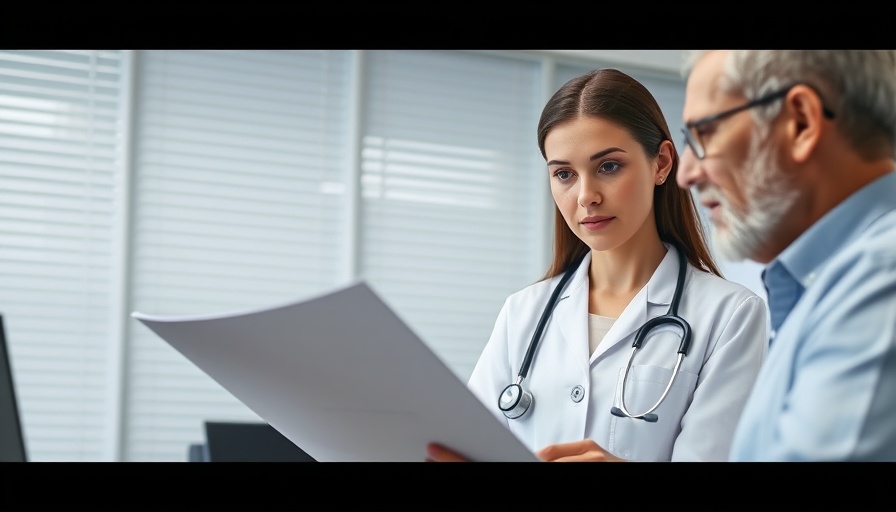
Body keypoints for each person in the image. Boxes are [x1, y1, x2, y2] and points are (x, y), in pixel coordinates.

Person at [426, 68, 769, 462]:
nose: (586, 196)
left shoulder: (730, 315)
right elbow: (469, 448)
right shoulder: (522, 313)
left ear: (661, 163)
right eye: (564, 174)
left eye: (608, 166)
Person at [675, 50, 896, 461]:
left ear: (801, 123)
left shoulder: (882, 281)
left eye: (704, 133)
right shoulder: (820, 286)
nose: (685, 173)